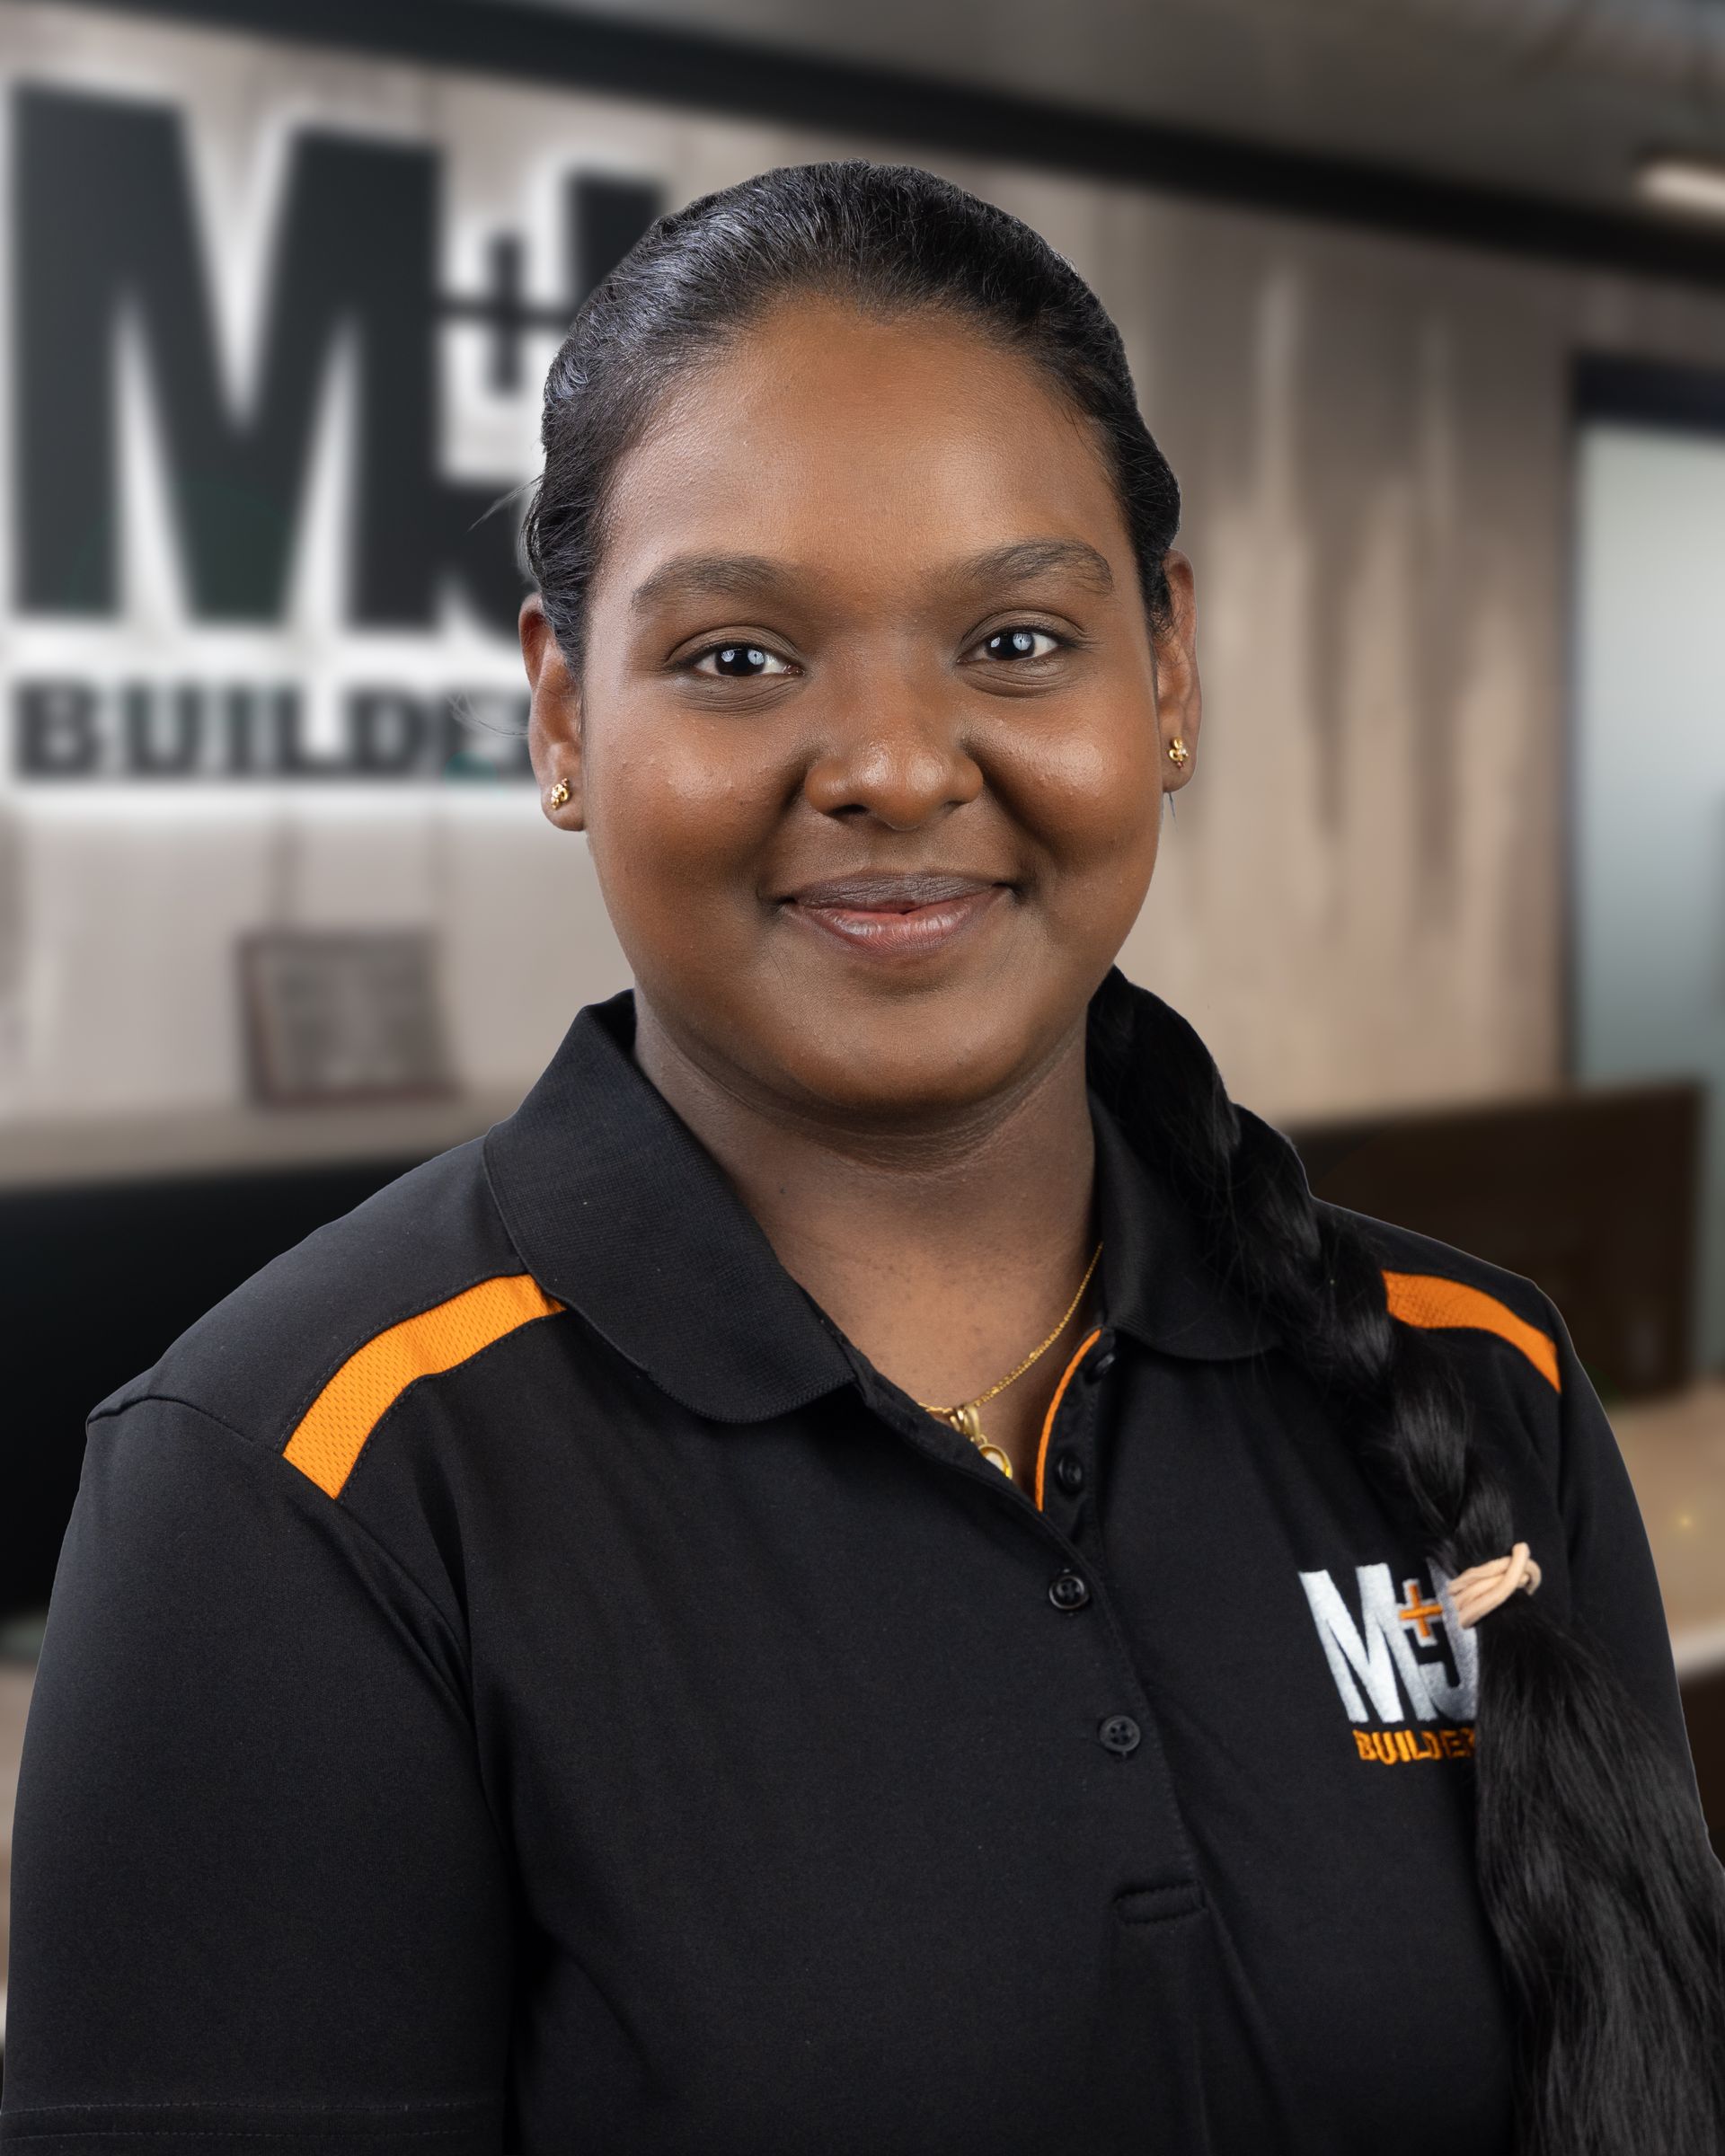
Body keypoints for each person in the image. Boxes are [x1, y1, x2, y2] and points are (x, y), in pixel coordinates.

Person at [3, 161, 1721, 2156]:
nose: (900, 764)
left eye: (1012, 639)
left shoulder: (1475, 1372)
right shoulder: (295, 1484)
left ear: (1164, 672)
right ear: (563, 715)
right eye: (739, 657)